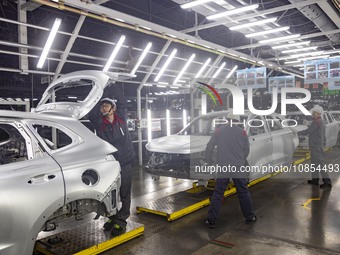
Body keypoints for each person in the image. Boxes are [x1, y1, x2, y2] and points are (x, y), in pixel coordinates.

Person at [89, 84, 135, 236]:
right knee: (112, 193)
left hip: (126, 161)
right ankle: (113, 217)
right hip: (111, 164)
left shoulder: (121, 118)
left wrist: (114, 86)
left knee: (125, 192)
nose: (103, 107)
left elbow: (122, 102)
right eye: (102, 105)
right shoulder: (100, 124)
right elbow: (91, 112)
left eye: (106, 105)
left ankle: (122, 220)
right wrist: (99, 89)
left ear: (113, 108)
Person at [204, 111, 256, 228]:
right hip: (238, 166)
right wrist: (241, 159)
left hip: (223, 166)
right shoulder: (242, 132)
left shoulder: (219, 131)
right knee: (243, 192)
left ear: (227, 120)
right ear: (237, 121)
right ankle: (249, 217)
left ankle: (211, 220)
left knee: (218, 193)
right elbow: (246, 149)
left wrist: (208, 160)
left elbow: (210, 146)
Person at [304, 105, 332, 188]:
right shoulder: (319, 121)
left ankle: (327, 181)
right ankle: (315, 180)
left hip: (316, 146)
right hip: (317, 145)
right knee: (314, 164)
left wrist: (297, 132)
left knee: (320, 164)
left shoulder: (317, 121)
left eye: (313, 112)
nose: (312, 113)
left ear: (318, 113)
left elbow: (309, 131)